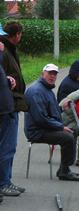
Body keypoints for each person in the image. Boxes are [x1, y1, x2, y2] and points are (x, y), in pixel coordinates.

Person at [24, 64, 79, 181]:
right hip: (37, 131)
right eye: (49, 73)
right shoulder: (36, 91)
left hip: (44, 127)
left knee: (73, 131)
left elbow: (51, 112)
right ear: (43, 74)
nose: (52, 76)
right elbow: (40, 119)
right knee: (68, 137)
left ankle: (64, 168)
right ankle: (64, 171)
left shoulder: (47, 89)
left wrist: (62, 108)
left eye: (54, 74)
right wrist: (60, 127)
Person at [0, 21, 27, 196]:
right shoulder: (3, 51)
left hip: (10, 103)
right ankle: (4, 183)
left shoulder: (7, 50)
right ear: (16, 34)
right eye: (20, 34)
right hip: (7, 105)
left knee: (9, 146)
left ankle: (6, 180)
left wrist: (8, 78)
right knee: (7, 147)